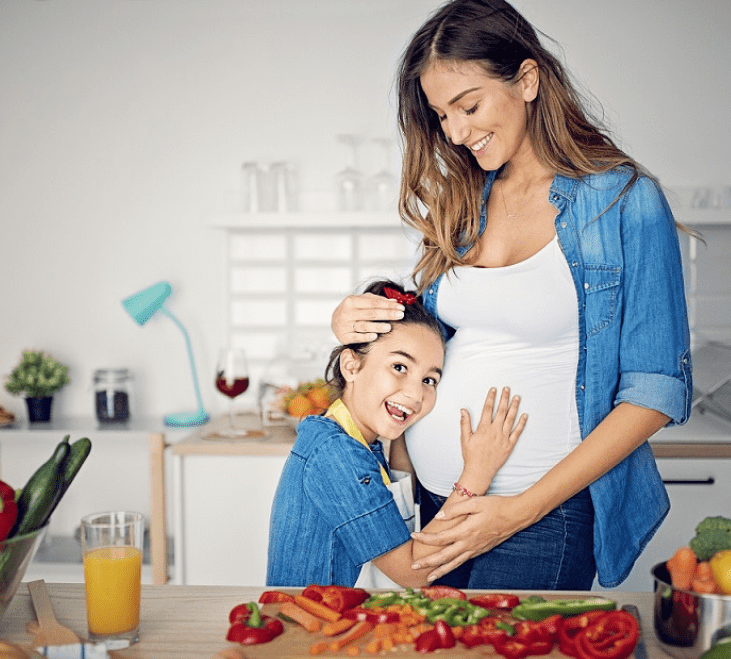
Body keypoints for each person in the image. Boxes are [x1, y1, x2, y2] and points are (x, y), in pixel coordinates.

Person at [331, 0, 692, 590]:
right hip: (436, 501)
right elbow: (428, 340)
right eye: (441, 115)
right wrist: (353, 317)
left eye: (469, 105)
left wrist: (516, 512)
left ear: (527, 80)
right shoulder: (464, 200)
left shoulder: (624, 200)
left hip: (537, 518)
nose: (456, 132)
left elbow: (655, 390)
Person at [266, 280, 527, 588]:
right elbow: (413, 572)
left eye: (429, 380)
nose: (416, 394)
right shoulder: (337, 455)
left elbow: (397, 485)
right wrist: (478, 472)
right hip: (309, 628)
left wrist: (404, 418)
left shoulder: (355, 438)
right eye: (400, 367)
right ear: (351, 366)